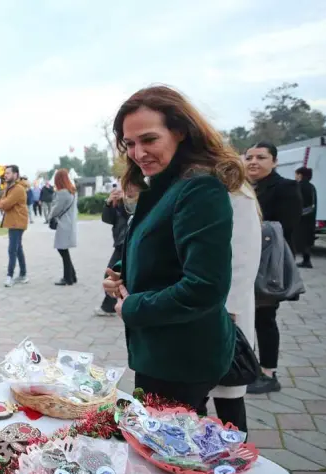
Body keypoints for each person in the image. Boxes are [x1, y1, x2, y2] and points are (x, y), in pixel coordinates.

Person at [103, 85, 245, 410]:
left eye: (149, 140)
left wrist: (133, 308)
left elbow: (205, 287)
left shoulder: (199, 189)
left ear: (180, 132)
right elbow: (165, 251)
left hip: (182, 358)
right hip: (160, 352)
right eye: (130, 144)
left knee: (165, 455)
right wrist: (120, 277)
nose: (138, 154)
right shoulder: (167, 186)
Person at [201, 182, 262, 434]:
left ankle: (239, 460)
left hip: (224, 314)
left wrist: (229, 311)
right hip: (198, 311)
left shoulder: (236, 191)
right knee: (192, 399)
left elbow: (244, 257)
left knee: (229, 395)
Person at [244, 141, 302, 394]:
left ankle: (269, 373)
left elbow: (286, 227)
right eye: (249, 157)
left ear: (274, 162)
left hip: (269, 265)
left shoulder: (286, 188)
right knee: (246, 317)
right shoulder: (242, 188)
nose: (254, 162)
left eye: (261, 157)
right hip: (244, 262)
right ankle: (248, 367)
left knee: (265, 319)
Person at [95, 185, 134, 315]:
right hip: (120, 242)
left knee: (112, 273)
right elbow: (108, 219)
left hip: (126, 242)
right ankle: (112, 305)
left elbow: (130, 216)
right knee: (115, 273)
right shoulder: (121, 201)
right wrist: (108, 202)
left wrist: (125, 200)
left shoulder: (134, 201)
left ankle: (109, 306)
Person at [0, 165, 29, 287]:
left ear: (15, 175)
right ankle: (23, 274)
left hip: (17, 222)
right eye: (5, 173)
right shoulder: (9, 188)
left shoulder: (17, 189)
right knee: (18, 248)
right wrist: (2, 201)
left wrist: (2, 202)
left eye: (8, 173)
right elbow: (3, 202)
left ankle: (9, 276)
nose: (6, 175)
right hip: (14, 222)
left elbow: (4, 204)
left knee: (12, 249)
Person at [48, 169, 78, 286]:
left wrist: (50, 216)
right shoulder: (72, 192)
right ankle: (72, 276)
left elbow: (56, 208)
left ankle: (68, 278)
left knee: (62, 250)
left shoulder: (63, 193)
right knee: (64, 251)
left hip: (63, 225)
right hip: (70, 224)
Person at [295, 166, 317, 268]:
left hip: (300, 217)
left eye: (296, 174)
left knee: (297, 239)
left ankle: (299, 261)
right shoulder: (312, 186)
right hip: (310, 218)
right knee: (306, 240)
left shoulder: (299, 186)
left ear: (300, 175)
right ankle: (306, 260)